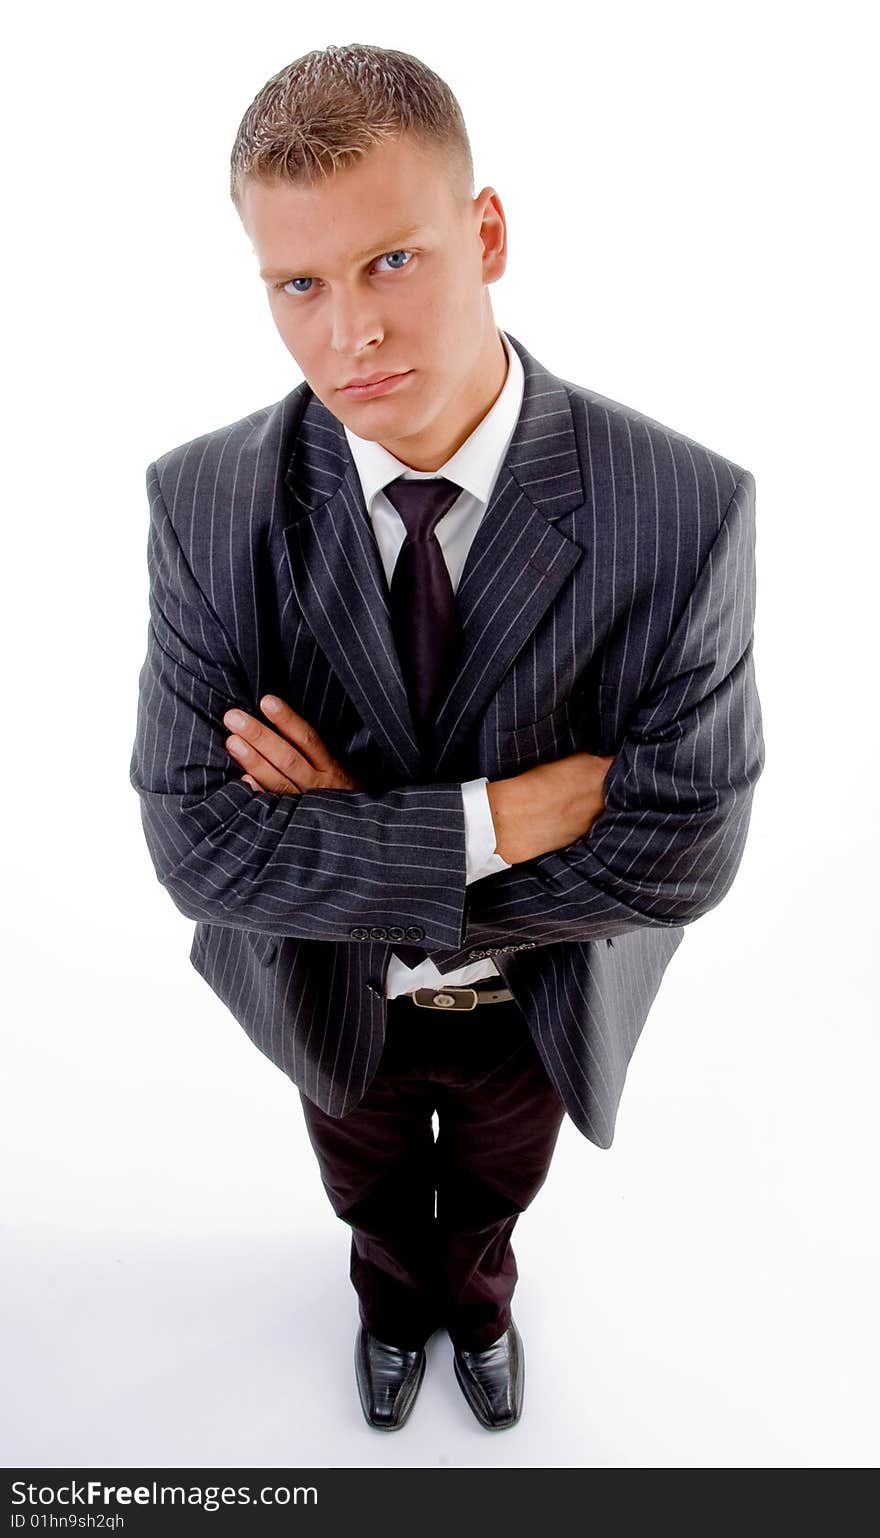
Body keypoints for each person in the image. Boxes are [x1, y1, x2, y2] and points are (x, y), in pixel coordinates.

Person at [129, 42, 765, 1433]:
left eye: (391, 262)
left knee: (490, 1188)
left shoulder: (686, 507)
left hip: (531, 1009)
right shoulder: (206, 505)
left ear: (484, 234)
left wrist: (345, 828)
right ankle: (383, 1304)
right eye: (298, 284)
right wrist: (505, 815)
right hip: (325, 1000)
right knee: (362, 1182)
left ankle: (476, 1307)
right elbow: (196, 845)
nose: (348, 331)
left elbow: (686, 849)